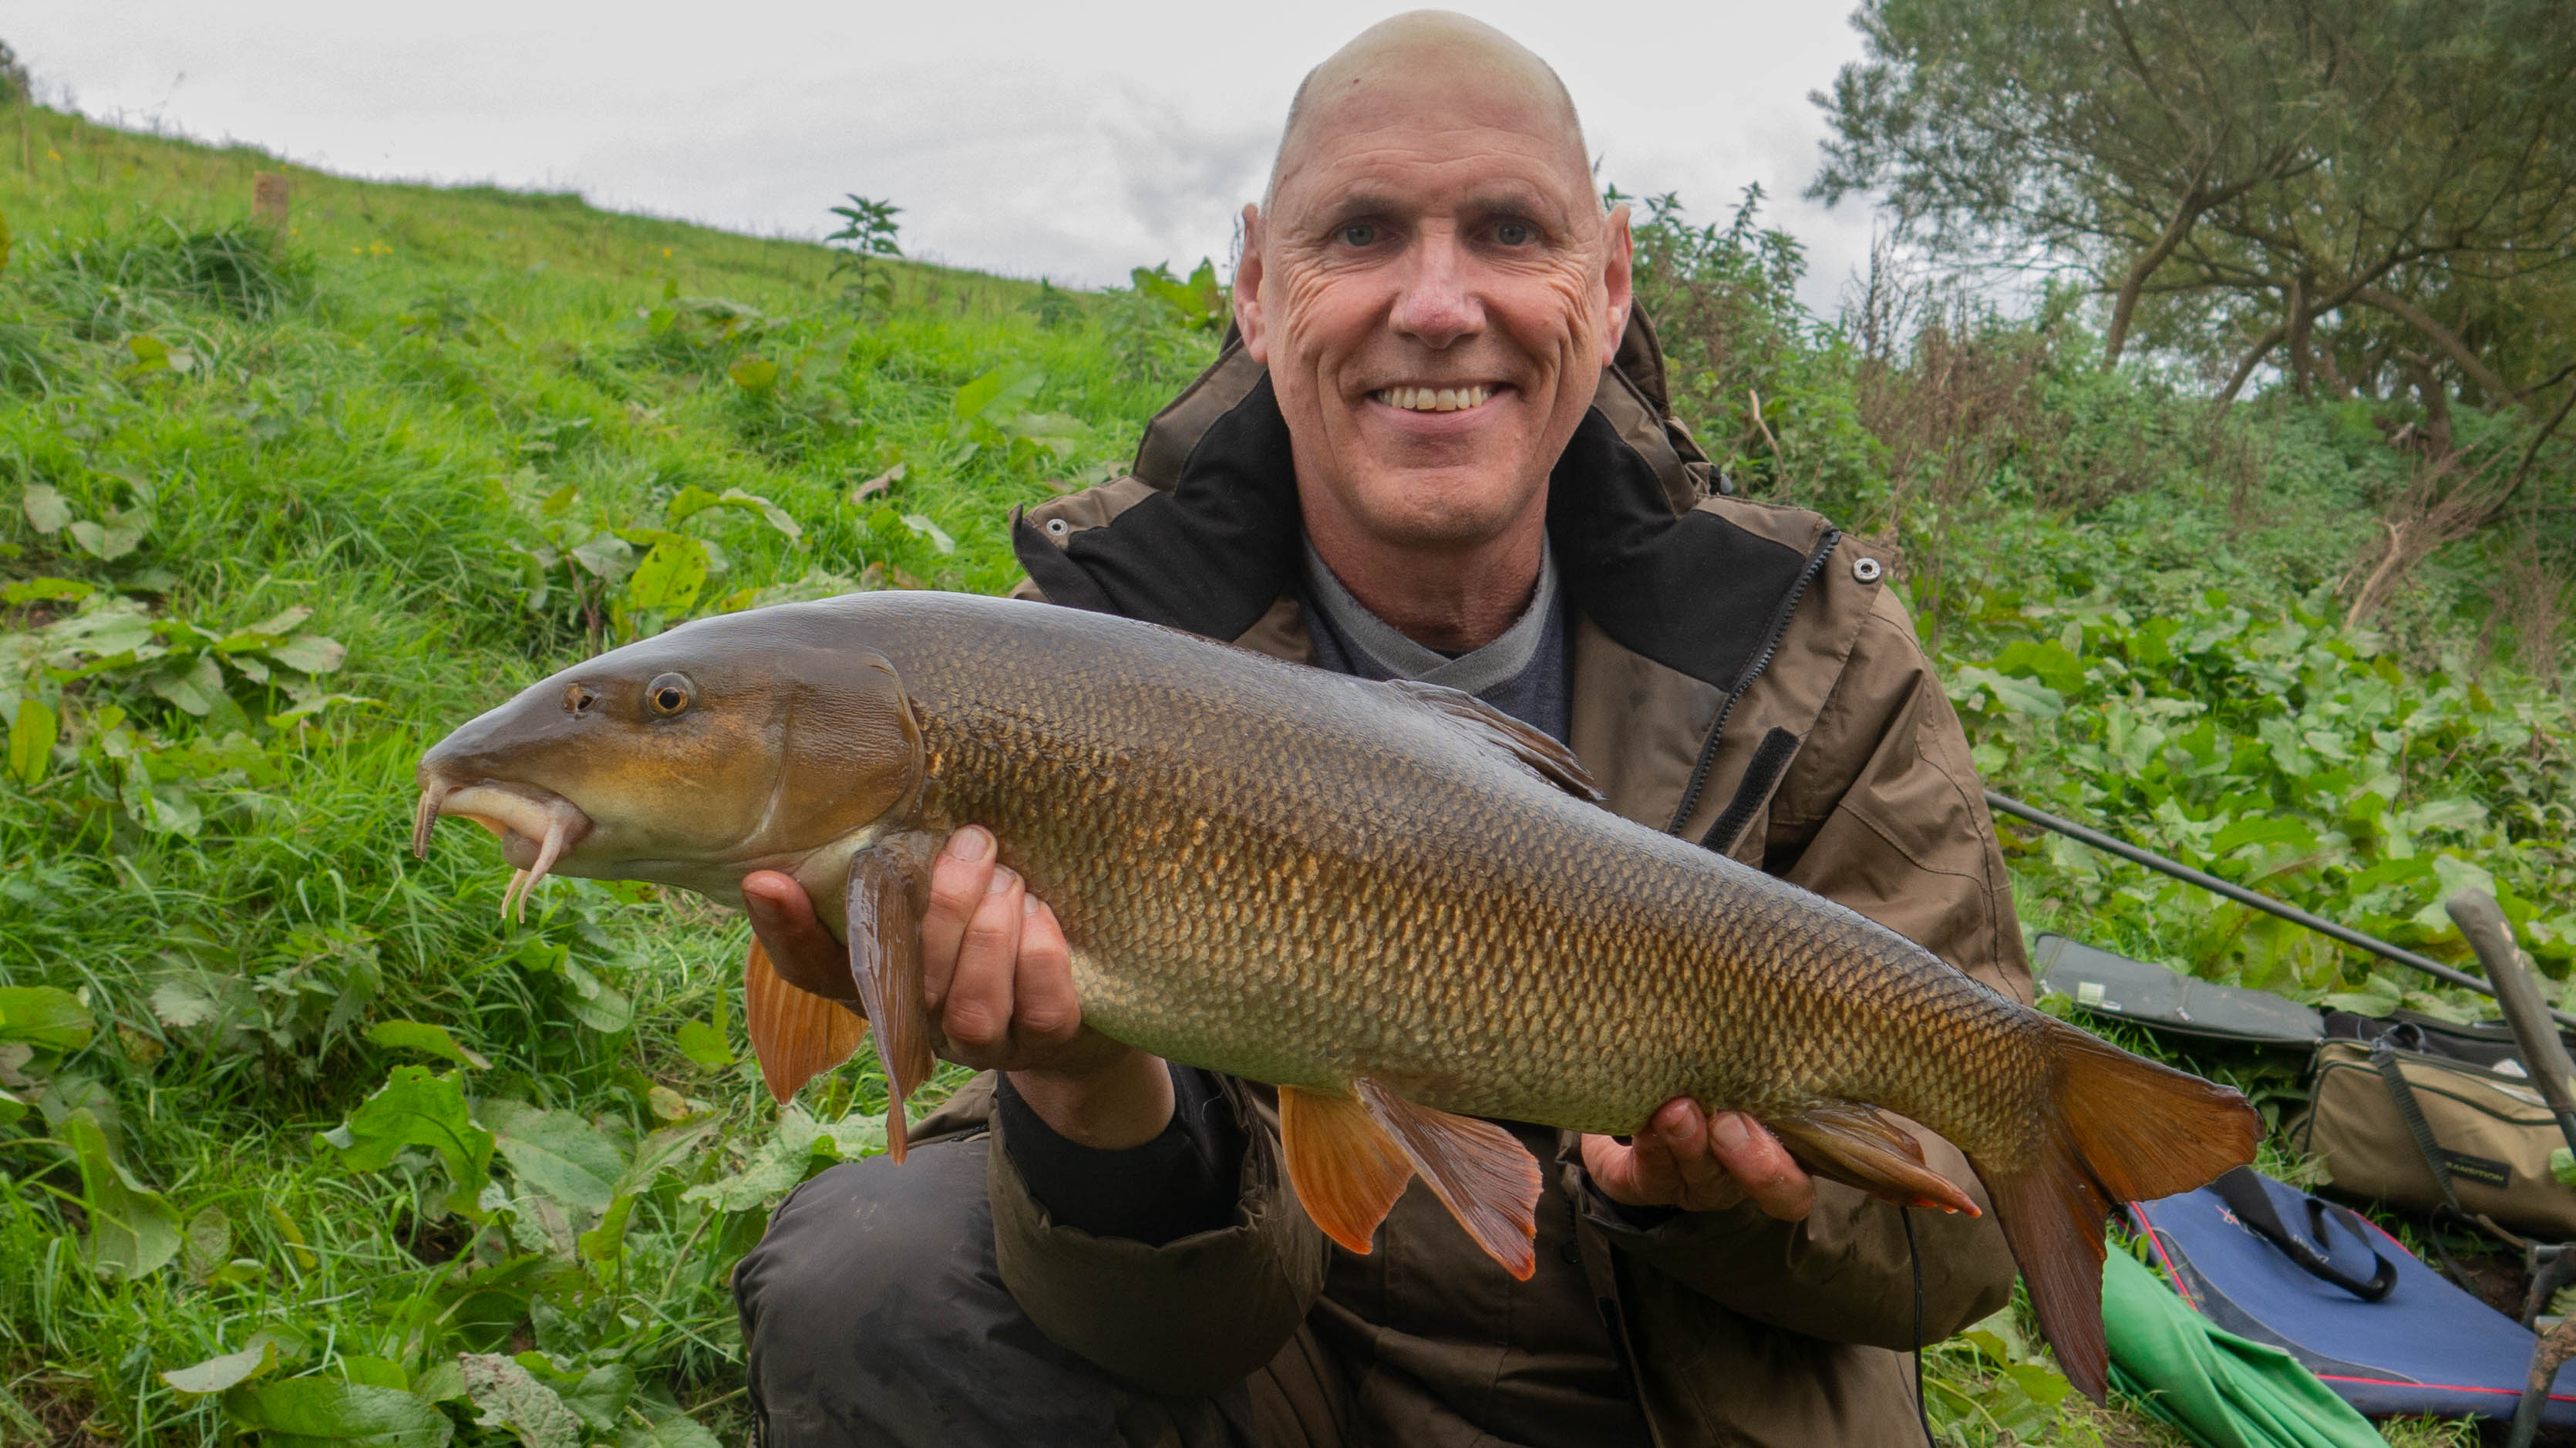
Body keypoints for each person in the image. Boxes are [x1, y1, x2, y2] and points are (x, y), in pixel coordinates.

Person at [730, 12, 2032, 1446]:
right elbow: (1154, 1320)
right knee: (874, 1272)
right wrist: (1092, 1083)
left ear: (1605, 289)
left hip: (1692, 1403)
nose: (1433, 302)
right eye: (1357, 232)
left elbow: (1962, 1236)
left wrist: (1714, 1204)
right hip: (1284, 1373)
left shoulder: (1811, 652)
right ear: (1255, 286)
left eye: (1504, 229)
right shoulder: (1074, 661)